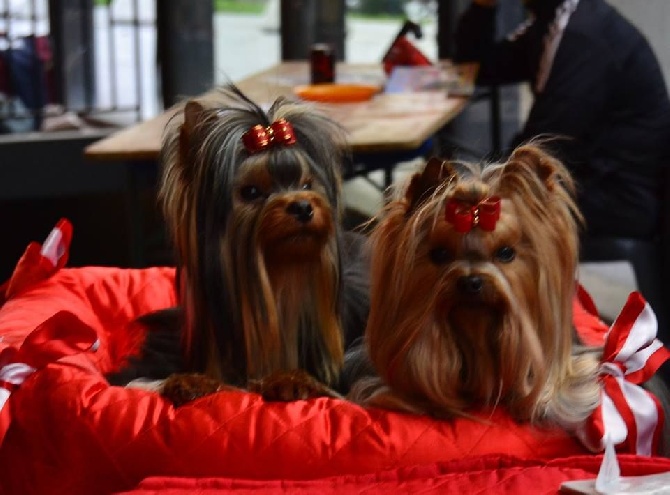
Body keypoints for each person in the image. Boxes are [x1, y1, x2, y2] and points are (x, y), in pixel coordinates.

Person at [454, 0, 670, 238]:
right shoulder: (551, 21)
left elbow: (542, 146)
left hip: (617, 197)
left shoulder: (582, 35)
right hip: (590, 179)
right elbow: (478, 67)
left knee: (466, 219)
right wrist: (482, 7)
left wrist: (483, 190)